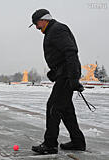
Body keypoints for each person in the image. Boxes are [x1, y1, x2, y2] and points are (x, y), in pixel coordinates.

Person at [29, 9, 86, 154]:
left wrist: (73, 78)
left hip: (67, 76)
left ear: (44, 20)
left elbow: (70, 52)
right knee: (66, 110)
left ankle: (50, 144)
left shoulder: (57, 30)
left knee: (53, 106)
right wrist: (54, 71)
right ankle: (78, 142)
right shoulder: (52, 31)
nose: (36, 27)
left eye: (36, 23)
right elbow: (60, 57)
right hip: (64, 74)